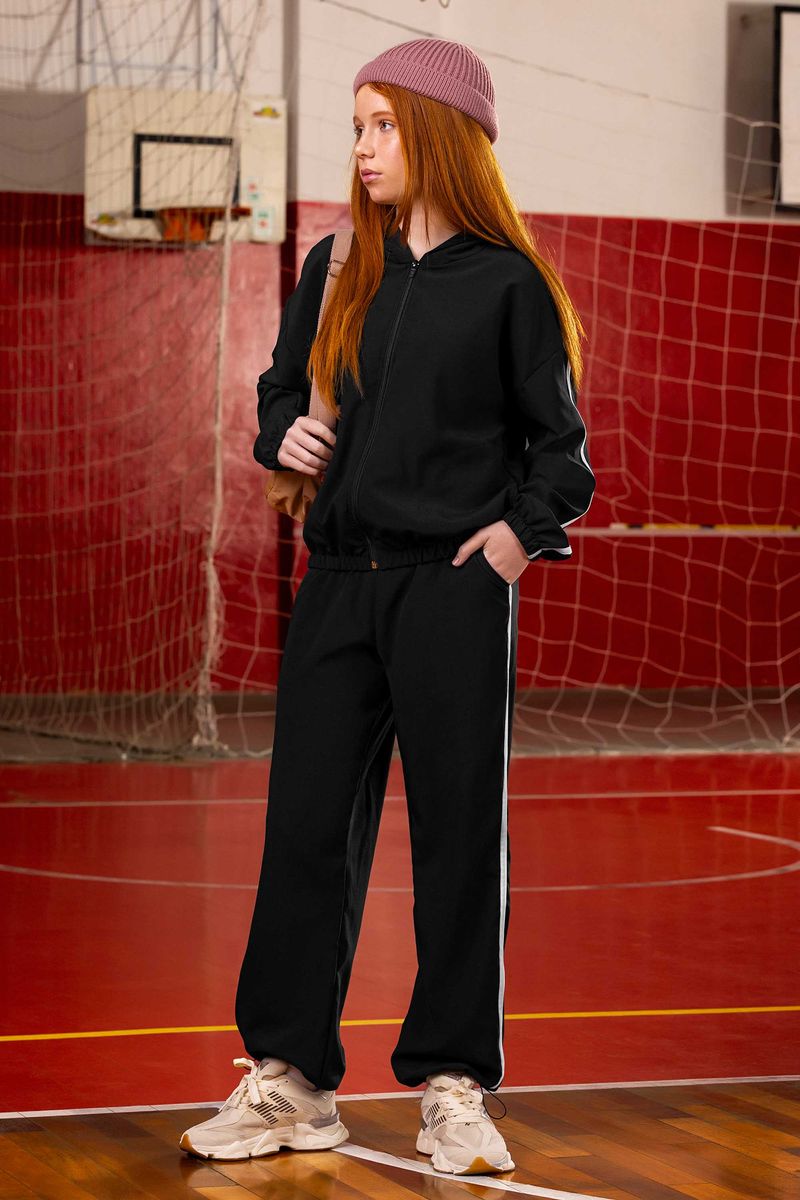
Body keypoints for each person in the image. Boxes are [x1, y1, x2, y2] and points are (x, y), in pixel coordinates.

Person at [180, 36, 595, 1177]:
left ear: (443, 138)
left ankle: (455, 1085)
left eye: (383, 126)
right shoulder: (334, 266)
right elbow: (278, 391)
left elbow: (562, 455)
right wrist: (282, 433)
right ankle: (291, 1082)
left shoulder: (509, 284)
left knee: (461, 841)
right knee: (305, 836)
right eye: (356, 126)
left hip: (451, 591)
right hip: (335, 586)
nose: (363, 148)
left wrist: (510, 543)